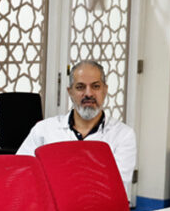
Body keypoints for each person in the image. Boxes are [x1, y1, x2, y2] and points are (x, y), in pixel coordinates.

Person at [16, 60, 137, 189]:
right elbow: (20, 172)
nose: (88, 94)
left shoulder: (123, 135)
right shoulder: (44, 130)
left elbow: (116, 187)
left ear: (105, 90)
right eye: (80, 87)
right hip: (47, 202)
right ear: (70, 92)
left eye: (95, 86)